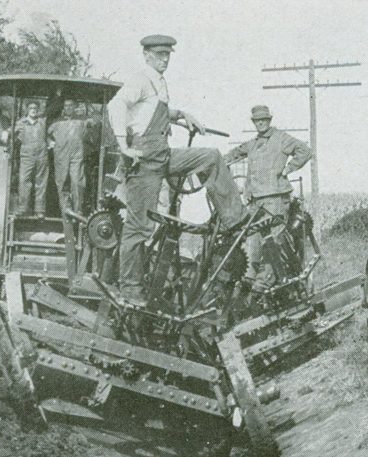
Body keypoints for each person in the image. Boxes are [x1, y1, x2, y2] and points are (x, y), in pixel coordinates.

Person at [107, 34, 246, 303]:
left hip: (162, 154)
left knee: (211, 157)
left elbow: (153, 111)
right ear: (146, 55)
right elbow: (116, 105)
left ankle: (235, 219)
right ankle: (130, 288)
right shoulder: (140, 79)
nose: (165, 59)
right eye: (159, 55)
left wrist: (182, 115)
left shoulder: (158, 83)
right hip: (145, 160)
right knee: (139, 228)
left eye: (168, 55)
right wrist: (124, 145)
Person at [224, 105, 311, 290]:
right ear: (254, 122)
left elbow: (304, 150)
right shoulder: (253, 143)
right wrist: (219, 162)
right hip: (255, 200)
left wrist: (288, 169)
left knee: (274, 240)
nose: (261, 122)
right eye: (257, 120)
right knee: (253, 241)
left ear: (269, 120)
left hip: (275, 198)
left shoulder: (281, 138)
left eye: (264, 119)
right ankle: (250, 281)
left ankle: (266, 282)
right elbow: (235, 153)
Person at [47, 99, 89, 213]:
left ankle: (78, 210)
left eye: (70, 105)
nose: (68, 108)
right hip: (61, 155)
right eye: (65, 106)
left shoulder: (82, 121)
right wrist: (50, 142)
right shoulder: (56, 122)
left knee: (77, 182)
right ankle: (65, 211)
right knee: (62, 182)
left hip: (77, 155)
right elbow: (46, 134)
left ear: (75, 106)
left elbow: (90, 132)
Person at [14, 101, 49, 218]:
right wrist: (6, 132)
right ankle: (22, 208)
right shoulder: (21, 123)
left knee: (41, 182)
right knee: (24, 180)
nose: (33, 110)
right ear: (27, 110)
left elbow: (54, 108)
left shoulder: (42, 122)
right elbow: (11, 131)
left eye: (35, 108)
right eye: (31, 108)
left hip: (41, 155)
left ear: (38, 110)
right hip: (27, 156)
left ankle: (40, 210)